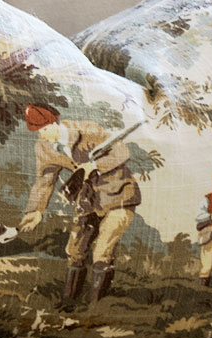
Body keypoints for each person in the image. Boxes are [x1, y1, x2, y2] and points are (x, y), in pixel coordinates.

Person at [20, 107, 142, 306]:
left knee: (102, 251)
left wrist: (94, 166)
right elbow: (44, 179)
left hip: (119, 195)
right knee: (74, 250)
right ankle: (69, 302)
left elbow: (121, 151)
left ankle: (98, 307)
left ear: (54, 123)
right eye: (38, 132)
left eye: (44, 130)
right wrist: (36, 210)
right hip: (88, 200)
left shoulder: (88, 130)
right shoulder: (43, 147)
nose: (43, 136)